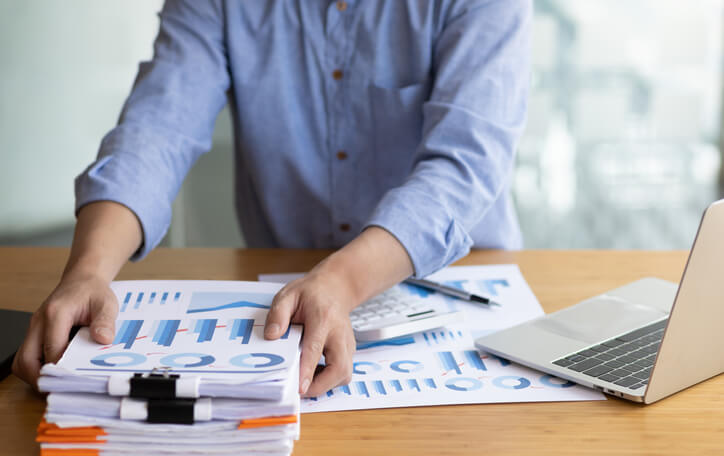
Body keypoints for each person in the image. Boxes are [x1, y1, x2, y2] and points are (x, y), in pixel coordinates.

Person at [13, 0, 531, 397]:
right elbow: (157, 130)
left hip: (457, 285)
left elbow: (466, 162)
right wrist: (89, 271)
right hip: (286, 298)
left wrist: (342, 280)